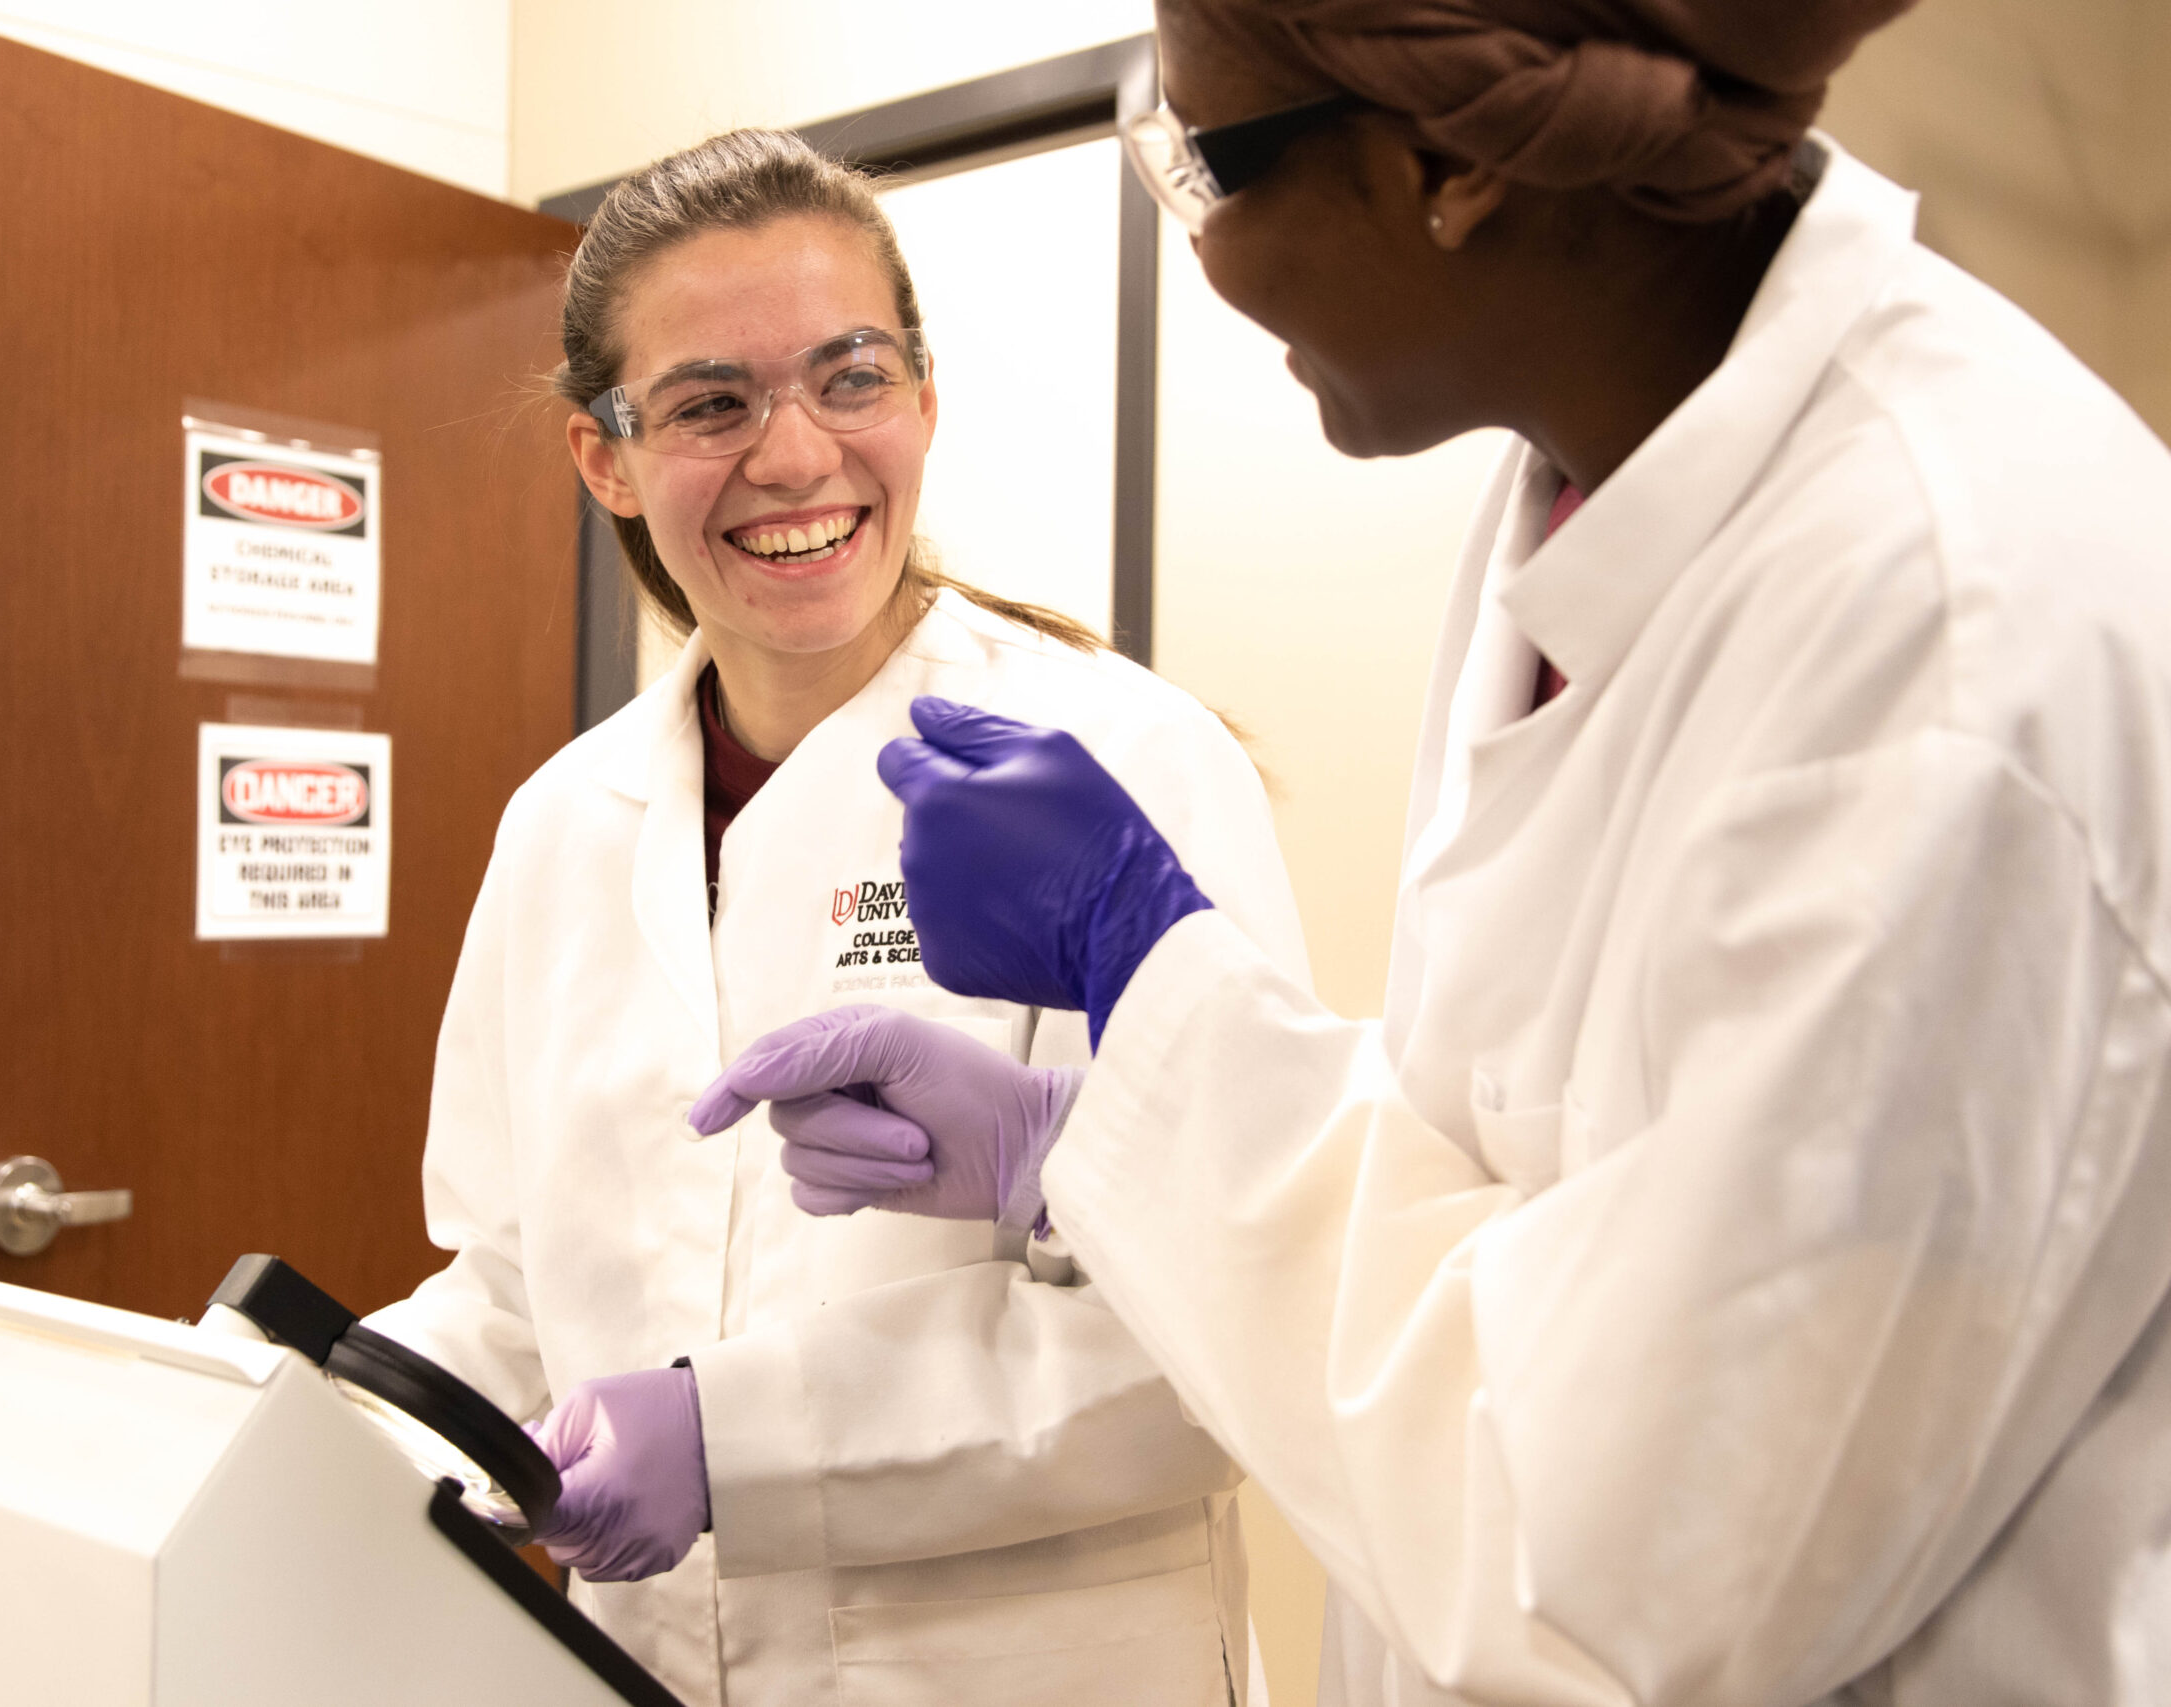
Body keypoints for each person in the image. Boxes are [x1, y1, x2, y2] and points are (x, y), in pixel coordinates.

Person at [693, 3, 2171, 1703]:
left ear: (1445, 167)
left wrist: (1148, 972)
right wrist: (1084, 1139)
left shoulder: (1948, 659)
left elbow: (1614, 1567)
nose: (1205, 256)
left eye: (1208, 169)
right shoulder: (1586, 493)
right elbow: (1540, 1152)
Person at [363, 128, 1314, 1707]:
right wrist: (298, 1410)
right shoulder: (561, 828)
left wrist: (736, 1444)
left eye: (851, 377)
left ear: (924, 399)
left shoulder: (1121, 762)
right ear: (605, 458)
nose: (796, 456)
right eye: (710, 404)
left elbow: (1221, 1336)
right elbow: (515, 1296)